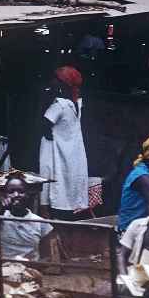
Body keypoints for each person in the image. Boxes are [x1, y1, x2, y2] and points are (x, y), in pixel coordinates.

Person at [39, 66, 89, 217]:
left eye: (56, 79)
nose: (53, 82)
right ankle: (68, 209)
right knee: (67, 178)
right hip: (71, 149)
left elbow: (45, 125)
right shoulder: (76, 103)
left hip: (54, 148)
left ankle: (47, 210)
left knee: (50, 177)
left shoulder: (59, 105)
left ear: (63, 84)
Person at [0, 175, 54, 262]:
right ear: (5, 195)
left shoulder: (41, 223)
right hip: (0, 268)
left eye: (21, 191)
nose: (16, 195)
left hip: (29, 269)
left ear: (28, 194)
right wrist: (1, 210)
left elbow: (47, 256)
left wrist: (33, 265)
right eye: (11, 192)